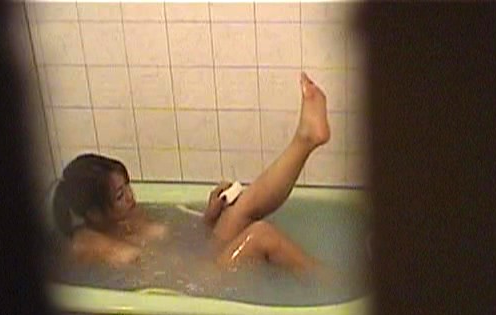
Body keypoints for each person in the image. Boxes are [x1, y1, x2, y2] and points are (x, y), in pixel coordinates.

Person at [50, 72, 331, 278]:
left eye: (127, 186)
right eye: (119, 195)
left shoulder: (123, 218)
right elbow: (141, 263)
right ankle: (329, 282)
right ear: (94, 213)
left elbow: (174, 244)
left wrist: (209, 218)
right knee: (260, 235)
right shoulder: (86, 242)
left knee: (240, 208)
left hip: (195, 266)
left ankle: (305, 139)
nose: (131, 197)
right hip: (194, 282)